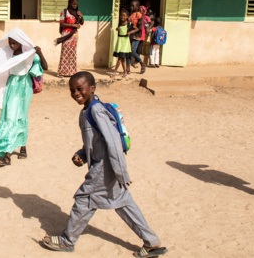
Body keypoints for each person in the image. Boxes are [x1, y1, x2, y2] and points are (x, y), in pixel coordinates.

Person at [42, 72, 167, 258]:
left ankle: (67, 241)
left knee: (84, 199)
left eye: (80, 89)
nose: (76, 93)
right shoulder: (85, 111)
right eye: (72, 90)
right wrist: (82, 154)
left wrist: (121, 172)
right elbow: (94, 143)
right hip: (108, 169)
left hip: (105, 169)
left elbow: (114, 143)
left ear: (92, 88)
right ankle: (152, 243)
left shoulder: (96, 110)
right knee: (123, 203)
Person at [0, 28, 47, 167]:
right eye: (10, 43)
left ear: (21, 43)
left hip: (24, 87)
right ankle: (7, 153)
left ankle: (22, 147)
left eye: (15, 43)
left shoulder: (29, 55)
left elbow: (45, 66)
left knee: (21, 117)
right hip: (11, 87)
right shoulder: (8, 55)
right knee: (10, 117)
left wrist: (40, 53)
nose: (12, 45)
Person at [56, 0, 83, 77]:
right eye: (73, 4)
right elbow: (62, 23)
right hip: (66, 35)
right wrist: (73, 25)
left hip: (74, 36)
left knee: (72, 54)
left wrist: (81, 16)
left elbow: (81, 23)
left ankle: (72, 72)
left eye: (76, 4)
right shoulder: (64, 12)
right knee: (65, 53)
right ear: (69, 3)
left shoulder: (77, 12)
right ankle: (62, 72)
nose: (74, 5)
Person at [112, 10, 137, 78]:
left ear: (127, 17)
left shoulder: (129, 24)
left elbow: (136, 29)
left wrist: (130, 33)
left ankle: (114, 72)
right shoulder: (120, 23)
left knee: (120, 58)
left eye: (124, 16)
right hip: (120, 40)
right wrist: (117, 29)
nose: (122, 17)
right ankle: (125, 72)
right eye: (121, 15)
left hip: (125, 41)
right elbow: (119, 29)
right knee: (123, 58)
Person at [128, 0, 146, 75]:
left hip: (136, 36)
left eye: (133, 6)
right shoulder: (131, 15)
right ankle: (128, 68)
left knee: (133, 51)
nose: (131, 7)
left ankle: (142, 64)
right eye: (131, 6)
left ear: (137, 7)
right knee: (128, 52)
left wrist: (131, 31)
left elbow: (139, 28)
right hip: (130, 36)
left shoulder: (139, 15)